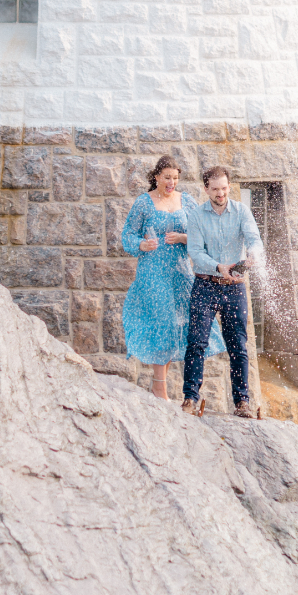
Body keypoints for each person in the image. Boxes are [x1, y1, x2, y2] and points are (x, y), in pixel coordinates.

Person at [121, 155, 224, 399]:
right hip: (153, 271)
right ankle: (160, 389)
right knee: (163, 322)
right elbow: (128, 236)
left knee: (178, 325)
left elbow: (202, 236)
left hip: (180, 272)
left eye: (175, 178)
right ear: (156, 177)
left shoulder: (186, 201)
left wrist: (183, 238)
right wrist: (142, 244)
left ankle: (159, 385)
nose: (171, 183)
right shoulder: (143, 203)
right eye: (167, 177)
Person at [182, 165, 264, 419]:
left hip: (234, 288)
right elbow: (194, 251)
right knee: (196, 344)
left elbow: (254, 238)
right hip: (205, 284)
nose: (221, 193)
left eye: (224, 188)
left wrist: (252, 254)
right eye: (215, 189)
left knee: (238, 346)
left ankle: (242, 403)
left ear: (229, 186)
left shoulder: (241, 211)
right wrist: (218, 266)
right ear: (206, 188)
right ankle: (190, 399)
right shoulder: (196, 215)